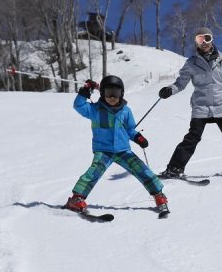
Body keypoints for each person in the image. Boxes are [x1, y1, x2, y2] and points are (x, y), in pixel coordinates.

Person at [158, 27, 222, 184]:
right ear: (196, 42)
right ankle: (175, 168)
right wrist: (170, 90)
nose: (204, 42)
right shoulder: (191, 62)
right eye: (200, 39)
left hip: (221, 105)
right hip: (201, 106)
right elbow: (180, 83)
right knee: (192, 137)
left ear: (212, 39)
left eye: (207, 38)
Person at [64, 75, 169, 218]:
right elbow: (79, 106)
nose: (112, 97)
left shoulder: (126, 111)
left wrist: (138, 137)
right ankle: (76, 198)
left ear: (122, 93)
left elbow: (130, 130)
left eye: (116, 93)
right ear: (102, 93)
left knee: (142, 170)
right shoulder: (95, 110)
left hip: (123, 150)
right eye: (109, 93)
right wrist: (85, 91)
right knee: (94, 172)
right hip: (103, 151)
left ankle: (158, 195)